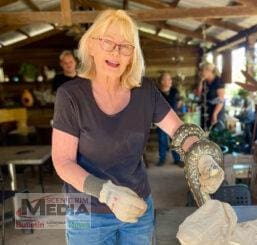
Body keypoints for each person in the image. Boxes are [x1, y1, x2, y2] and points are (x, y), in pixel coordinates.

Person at [52, 10, 221, 244]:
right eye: (108, 42)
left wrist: (201, 156)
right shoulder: (70, 96)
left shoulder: (145, 92)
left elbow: (178, 130)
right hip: (87, 212)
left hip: (137, 208)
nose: (116, 51)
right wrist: (106, 192)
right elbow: (62, 162)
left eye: (125, 46)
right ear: (91, 46)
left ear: (133, 55)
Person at [156, 72, 183, 167]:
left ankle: (177, 159)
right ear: (162, 81)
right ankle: (162, 159)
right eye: (168, 79)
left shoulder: (174, 91)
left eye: (170, 79)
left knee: (175, 140)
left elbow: (179, 102)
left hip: (174, 120)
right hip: (161, 120)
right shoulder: (157, 92)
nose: (170, 81)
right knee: (162, 140)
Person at [196, 62, 225, 129]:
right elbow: (198, 94)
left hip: (216, 111)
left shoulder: (218, 81)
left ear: (209, 70)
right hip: (206, 111)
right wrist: (200, 81)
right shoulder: (204, 81)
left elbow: (221, 100)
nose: (201, 73)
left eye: (202, 70)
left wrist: (215, 114)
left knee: (215, 133)